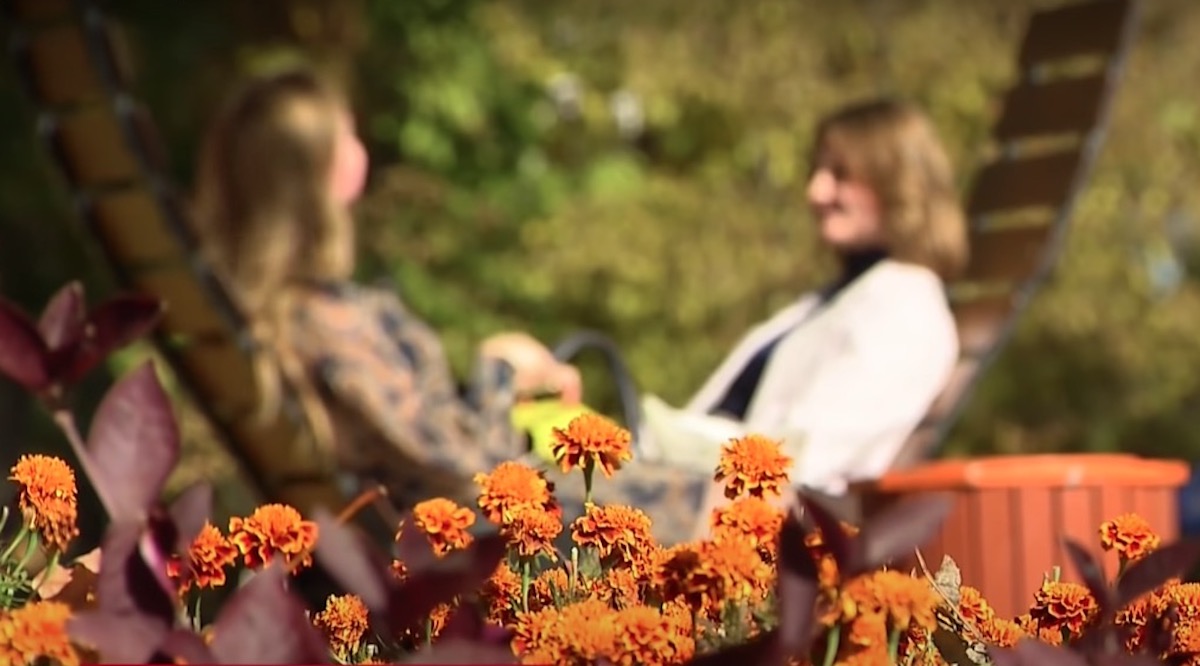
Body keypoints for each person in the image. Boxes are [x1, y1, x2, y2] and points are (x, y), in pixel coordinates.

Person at [193, 64, 962, 545]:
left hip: (547, 516)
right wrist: (500, 374)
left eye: (840, 173)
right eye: (349, 137)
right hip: (493, 532)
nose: (814, 190)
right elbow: (460, 469)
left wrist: (508, 380)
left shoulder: (297, 319)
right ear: (326, 171)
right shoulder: (327, 323)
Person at [635, 98, 968, 528]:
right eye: (817, 171)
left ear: (897, 183)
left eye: (840, 174)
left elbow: (808, 458)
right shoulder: (830, 300)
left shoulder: (908, 312)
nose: (816, 192)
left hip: (748, 527)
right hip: (687, 496)